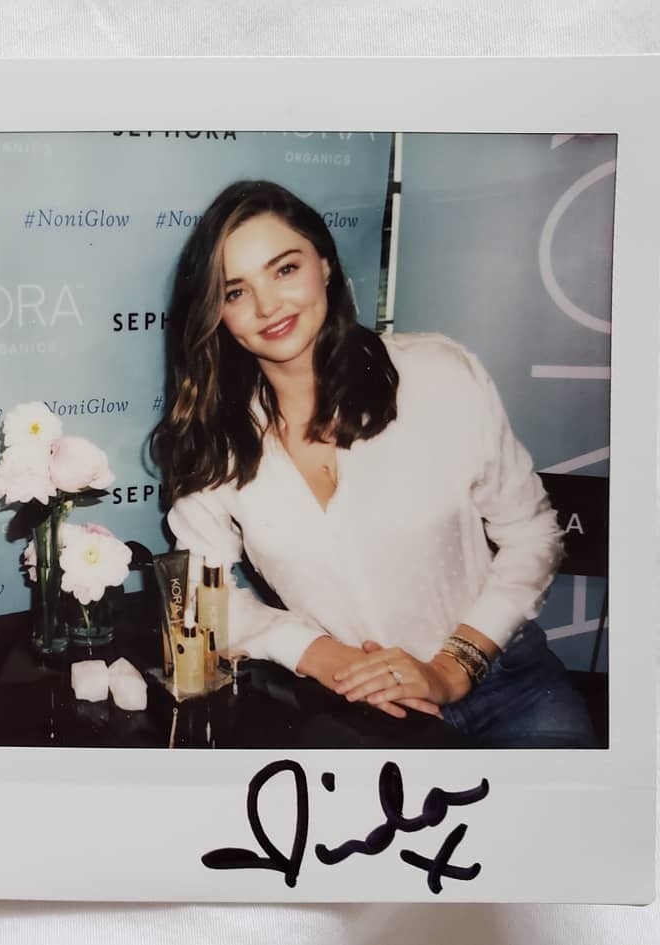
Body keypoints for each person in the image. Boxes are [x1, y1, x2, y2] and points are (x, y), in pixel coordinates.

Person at [150, 180, 596, 748]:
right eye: (235, 291)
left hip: (505, 683)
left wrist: (452, 668)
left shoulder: (436, 375)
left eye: (284, 269)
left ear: (325, 265)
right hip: (354, 703)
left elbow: (532, 534)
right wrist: (319, 655)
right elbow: (197, 593)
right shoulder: (218, 437)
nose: (267, 306)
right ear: (215, 313)